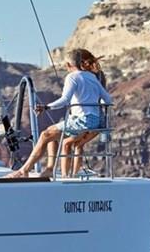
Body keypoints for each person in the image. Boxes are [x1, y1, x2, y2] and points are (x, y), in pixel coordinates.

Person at [8, 48, 112, 178]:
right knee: (52, 134)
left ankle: (24, 170)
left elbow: (65, 100)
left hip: (82, 120)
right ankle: (50, 169)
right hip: (95, 120)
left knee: (45, 135)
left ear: (68, 65)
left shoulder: (72, 77)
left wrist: (47, 107)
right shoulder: (92, 77)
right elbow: (108, 100)